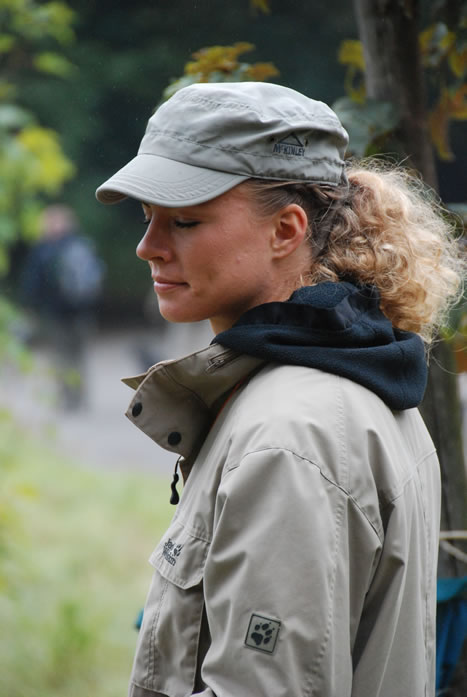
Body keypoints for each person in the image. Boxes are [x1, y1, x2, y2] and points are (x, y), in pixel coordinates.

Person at [96, 82, 462, 697]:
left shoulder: (290, 434)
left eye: (184, 220)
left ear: (285, 230)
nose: (147, 247)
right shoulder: (353, 385)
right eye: (147, 217)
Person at [20, 204, 104, 409]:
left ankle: (67, 398)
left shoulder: (43, 250)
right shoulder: (81, 244)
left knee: (61, 356)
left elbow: (33, 283)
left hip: (55, 312)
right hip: (81, 310)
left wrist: (31, 306)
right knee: (78, 355)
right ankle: (80, 397)